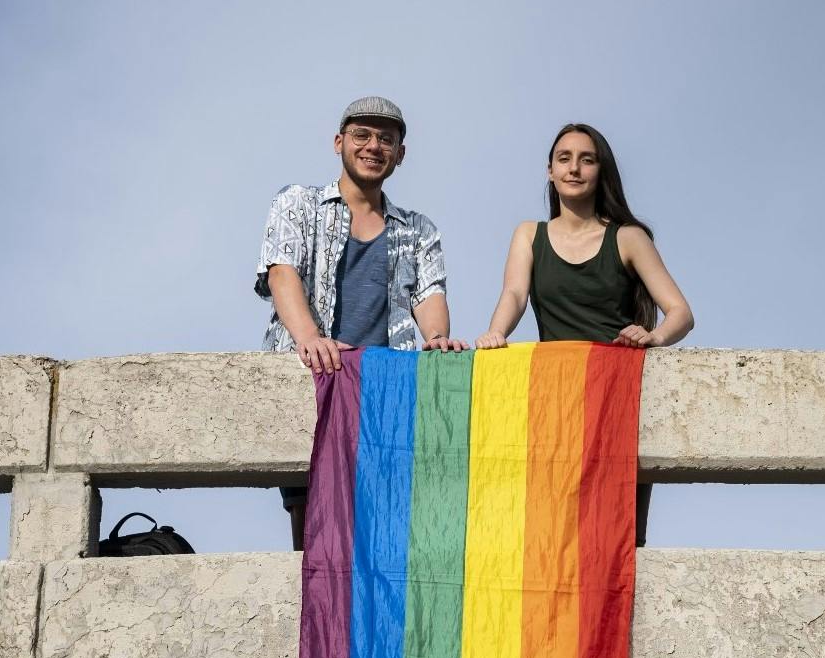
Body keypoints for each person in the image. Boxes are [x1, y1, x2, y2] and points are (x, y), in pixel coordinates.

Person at [256, 96, 464, 549]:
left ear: (400, 153)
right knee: (312, 527)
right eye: (362, 135)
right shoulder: (298, 203)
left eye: (386, 139)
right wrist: (311, 338)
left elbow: (429, 295)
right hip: (317, 382)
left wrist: (437, 339)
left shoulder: (418, 229)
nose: (374, 146)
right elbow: (281, 273)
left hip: (385, 392)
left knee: (385, 530)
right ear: (339, 142)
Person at [476, 122, 694, 545]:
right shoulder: (529, 234)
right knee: (549, 534)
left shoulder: (628, 238)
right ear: (550, 171)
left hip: (615, 398)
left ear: (600, 170)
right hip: (553, 401)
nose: (574, 168)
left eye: (586, 159)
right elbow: (515, 292)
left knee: (615, 537)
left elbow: (681, 312)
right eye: (564, 159)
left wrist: (653, 337)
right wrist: (494, 333)